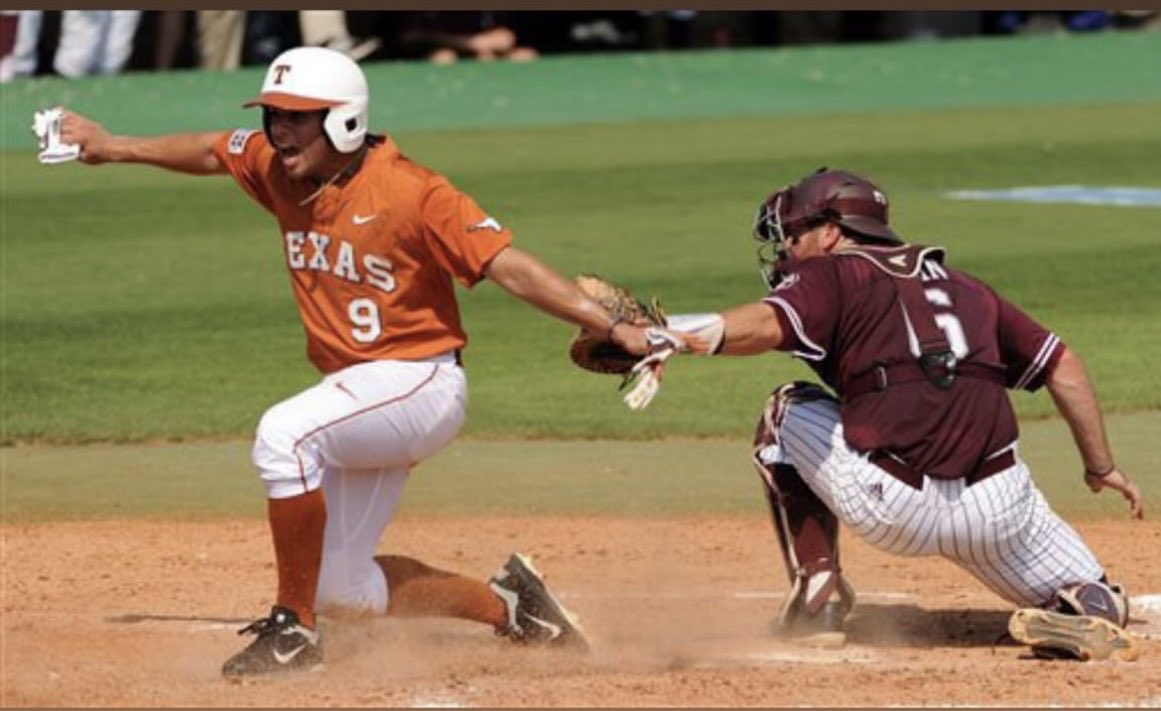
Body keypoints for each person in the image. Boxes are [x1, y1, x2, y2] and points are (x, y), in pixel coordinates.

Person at [55, 45, 646, 677]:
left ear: (344, 121)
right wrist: (113, 145)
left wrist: (609, 325)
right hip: (362, 392)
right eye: (273, 114)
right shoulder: (279, 168)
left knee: (284, 434)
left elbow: (508, 265)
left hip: (421, 384)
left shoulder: (414, 192)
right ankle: (514, 609)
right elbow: (211, 149)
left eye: (296, 116)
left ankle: (292, 633)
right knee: (339, 587)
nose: (279, 130)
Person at [618, 167, 1144, 661]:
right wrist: (1101, 467)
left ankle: (817, 598)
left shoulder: (833, 276)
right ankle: (1081, 611)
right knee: (1100, 595)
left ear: (830, 233)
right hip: (996, 509)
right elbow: (1063, 363)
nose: (787, 252)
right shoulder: (967, 287)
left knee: (783, 409)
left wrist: (668, 337)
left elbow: (761, 323)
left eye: (794, 236)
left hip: (893, 505)